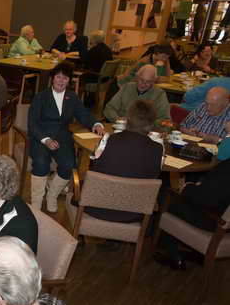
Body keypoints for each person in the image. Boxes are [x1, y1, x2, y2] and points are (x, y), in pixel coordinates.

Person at [29, 61, 104, 213]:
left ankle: (52, 195)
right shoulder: (40, 97)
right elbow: (32, 123)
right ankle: (36, 202)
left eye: (65, 78)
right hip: (41, 137)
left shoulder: (72, 97)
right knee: (41, 163)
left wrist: (96, 124)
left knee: (69, 165)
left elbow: (83, 114)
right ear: (52, 78)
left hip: (62, 137)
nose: (61, 81)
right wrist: (46, 140)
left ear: (69, 80)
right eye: (58, 77)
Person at [154, 139, 230, 270]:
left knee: (171, 200)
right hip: (223, 218)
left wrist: (188, 187)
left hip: (214, 221)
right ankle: (195, 252)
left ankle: (172, 255)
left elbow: (206, 199)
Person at [85, 100, 164, 223]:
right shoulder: (157, 149)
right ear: (151, 123)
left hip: (97, 207)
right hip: (134, 213)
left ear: (128, 119)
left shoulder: (110, 140)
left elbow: (96, 170)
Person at [104, 65, 170, 122]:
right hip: (122, 126)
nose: (143, 84)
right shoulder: (127, 87)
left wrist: (147, 125)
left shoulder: (159, 95)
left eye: (148, 82)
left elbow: (164, 119)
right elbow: (109, 108)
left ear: (153, 82)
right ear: (137, 77)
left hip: (145, 129)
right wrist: (117, 119)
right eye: (141, 80)